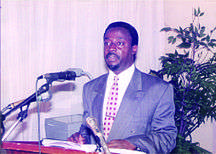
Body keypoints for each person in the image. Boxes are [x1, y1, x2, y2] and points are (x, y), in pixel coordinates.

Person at [68, 21, 177, 153]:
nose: (111, 48)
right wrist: (80, 139)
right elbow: (88, 130)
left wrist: (133, 144)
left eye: (119, 43)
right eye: (107, 43)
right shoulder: (90, 88)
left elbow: (167, 138)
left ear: (134, 48)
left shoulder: (158, 89)